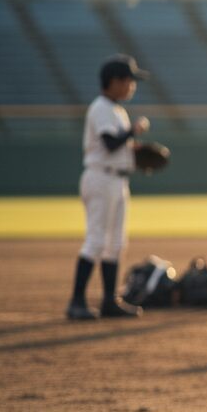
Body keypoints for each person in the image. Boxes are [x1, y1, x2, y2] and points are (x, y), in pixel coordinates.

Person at [66, 54, 151, 321]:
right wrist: (133, 132)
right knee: (96, 240)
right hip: (100, 179)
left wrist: (137, 154)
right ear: (114, 81)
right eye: (129, 81)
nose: (132, 86)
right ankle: (76, 302)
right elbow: (110, 143)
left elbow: (118, 147)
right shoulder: (101, 107)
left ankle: (109, 301)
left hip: (117, 179)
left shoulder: (117, 110)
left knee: (116, 243)